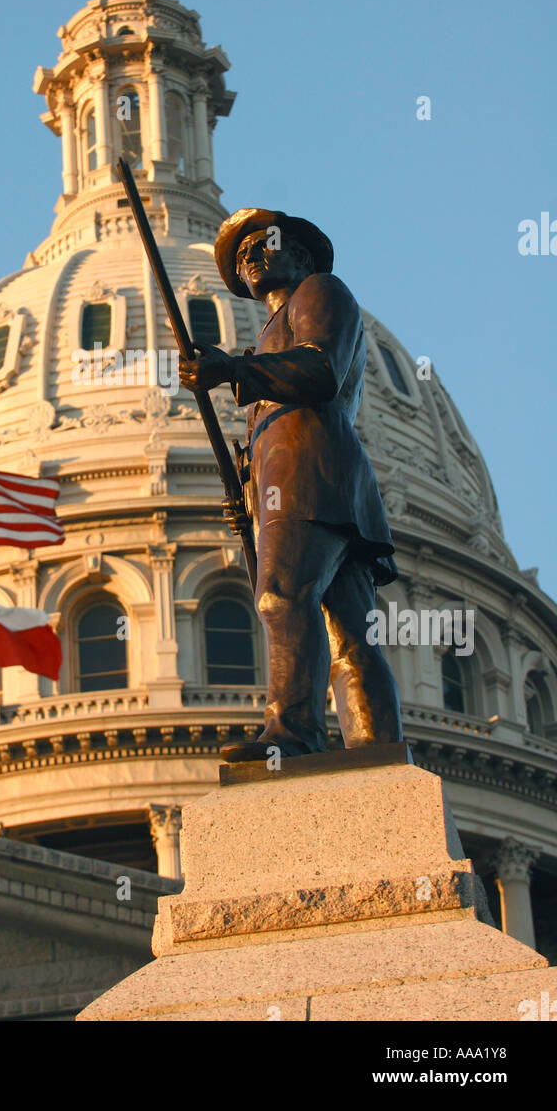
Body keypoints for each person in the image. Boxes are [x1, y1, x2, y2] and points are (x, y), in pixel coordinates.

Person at [179, 208, 404, 760]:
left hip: (313, 479)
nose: (250, 258)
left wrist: (232, 369)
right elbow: (271, 428)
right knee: (348, 635)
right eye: (241, 256)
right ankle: (376, 752)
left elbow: (320, 371)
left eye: (263, 244)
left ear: (301, 254)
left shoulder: (321, 292)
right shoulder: (269, 331)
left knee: (281, 598)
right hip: (305, 484)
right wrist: (250, 497)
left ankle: (292, 734)